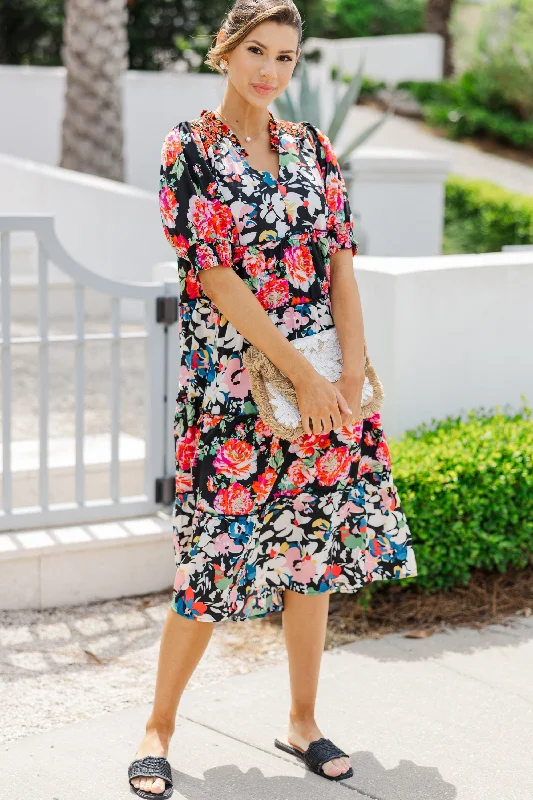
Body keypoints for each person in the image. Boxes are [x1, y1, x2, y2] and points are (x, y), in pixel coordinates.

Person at [128, 0, 418, 795]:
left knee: (311, 557)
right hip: (235, 390)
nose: (270, 70)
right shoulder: (187, 148)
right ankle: (158, 727)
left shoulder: (312, 147)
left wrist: (348, 380)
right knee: (212, 564)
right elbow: (218, 279)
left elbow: (340, 266)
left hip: (324, 388)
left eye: (286, 57)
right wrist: (305, 375)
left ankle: (302, 721)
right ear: (224, 52)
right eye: (257, 51)